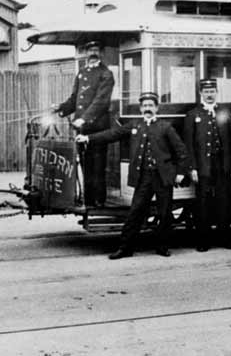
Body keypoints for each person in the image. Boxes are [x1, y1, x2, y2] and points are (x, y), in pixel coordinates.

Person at [76, 91, 188, 259]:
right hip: (143, 177)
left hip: (162, 177)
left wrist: (180, 173)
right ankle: (125, 249)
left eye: (151, 106)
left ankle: (162, 247)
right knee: (135, 212)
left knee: (165, 213)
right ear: (141, 108)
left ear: (156, 108)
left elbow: (182, 151)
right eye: (145, 106)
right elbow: (112, 134)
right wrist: (88, 138)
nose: (147, 109)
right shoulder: (135, 125)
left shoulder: (166, 127)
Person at [54, 40, 114, 207]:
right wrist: (61, 108)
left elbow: (101, 101)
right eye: (90, 50)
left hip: (98, 128)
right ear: (86, 53)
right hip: (82, 129)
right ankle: (88, 201)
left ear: (101, 52)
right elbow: (75, 99)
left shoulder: (106, 73)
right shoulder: (82, 73)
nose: (92, 53)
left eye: (96, 50)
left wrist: (84, 118)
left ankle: (99, 202)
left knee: (98, 166)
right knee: (86, 165)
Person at [184, 79, 231, 251]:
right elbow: (188, 145)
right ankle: (203, 240)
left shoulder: (224, 113)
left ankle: (224, 238)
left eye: (212, 91)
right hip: (203, 165)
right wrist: (192, 168)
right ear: (201, 93)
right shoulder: (193, 115)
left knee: (224, 200)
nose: (209, 94)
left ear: (217, 92)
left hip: (222, 164)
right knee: (203, 202)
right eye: (206, 91)